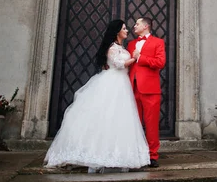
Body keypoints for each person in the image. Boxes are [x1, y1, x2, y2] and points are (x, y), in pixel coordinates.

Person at [44, 20, 150, 172]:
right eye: (124, 28)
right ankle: (96, 154)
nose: (127, 30)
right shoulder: (112, 48)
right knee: (105, 116)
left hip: (121, 84)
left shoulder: (120, 47)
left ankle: (117, 153)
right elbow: (119, 64)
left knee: (119, 119)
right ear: (117, 31)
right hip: (112, 83)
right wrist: (135, 58)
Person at [127, 17, 166, 168]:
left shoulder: (158, 42)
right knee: (133, 123)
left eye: (137, 24)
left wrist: (141, 57)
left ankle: (152, 156)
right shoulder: (130, 44)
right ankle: (134, 153)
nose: (134, 26)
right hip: (132, 88)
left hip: (150, 89)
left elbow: (160, 62)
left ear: (146, 26)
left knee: (151, 124)